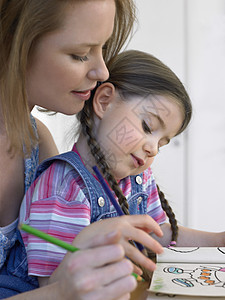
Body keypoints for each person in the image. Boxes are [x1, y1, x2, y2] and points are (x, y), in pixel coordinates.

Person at [0, 0, 144, 299]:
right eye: (80, 55)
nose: (102, 71)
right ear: (13, 43)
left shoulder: (37, 142)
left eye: (103, 48)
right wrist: (62, 292)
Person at [19, 49, 193, 286]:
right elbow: (54, 288)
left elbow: (157, 234)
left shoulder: (139, 178)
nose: (152, 148)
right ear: (104, 101)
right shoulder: (63, 189)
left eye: (161, 144)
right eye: (147, 126)